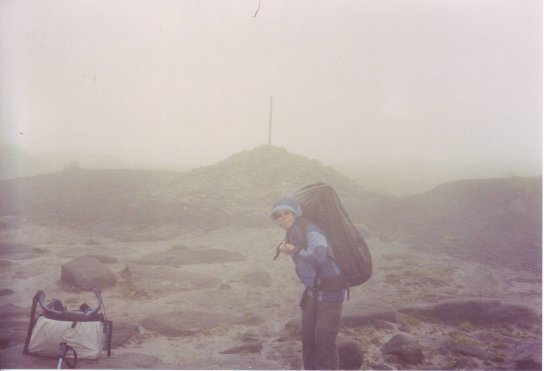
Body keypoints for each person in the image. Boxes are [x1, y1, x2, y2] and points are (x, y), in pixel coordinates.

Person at [271, 196, 345, 370]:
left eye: (286, 213)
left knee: (325, 342)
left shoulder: (311, 230)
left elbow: (319, 256)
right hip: (312, 292)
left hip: (331, 293)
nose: (283, 218)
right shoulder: (292, 232)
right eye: (278, 215)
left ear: (295, 213)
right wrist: (293, 251)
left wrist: (294, 252)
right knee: (308, 339)